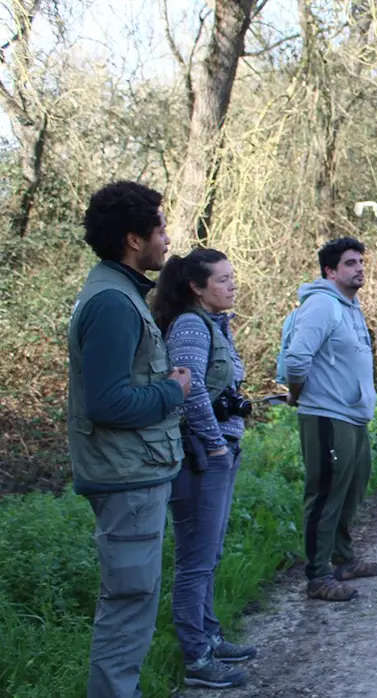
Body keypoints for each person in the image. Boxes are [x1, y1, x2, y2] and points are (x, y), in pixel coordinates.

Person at [68, 181, 192, 697]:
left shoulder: (118, 292)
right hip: (125, 477)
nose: (167, 238)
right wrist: (172, 391)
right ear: (133, 239)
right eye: (160, 228)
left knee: (133, 602)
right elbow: (107, 402)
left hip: (133, 472)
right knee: (128, 605)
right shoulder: (114, 303)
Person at [153, 249, 256, 688]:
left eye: (233, 278)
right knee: (196, 557)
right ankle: (197, 657)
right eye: (222, 280)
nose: (232, 285)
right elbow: (189, 390)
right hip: (201, 455)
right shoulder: (193, 326)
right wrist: (215, 446)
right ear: (196, 287)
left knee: (208, 552)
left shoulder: (214, 324)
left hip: (216, 451)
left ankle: (210, 635)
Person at [284, 237, 377, 601]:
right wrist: (296, 395)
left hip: (354, 416)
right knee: (325, 494)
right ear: (330, 271)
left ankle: (343, 559)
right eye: (349, 263)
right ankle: (318, 575)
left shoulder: (350, 306)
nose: (359, 268)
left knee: (352, 488)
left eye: (361, 262)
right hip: (326, 415)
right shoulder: (321, 305)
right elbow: (297, 359)